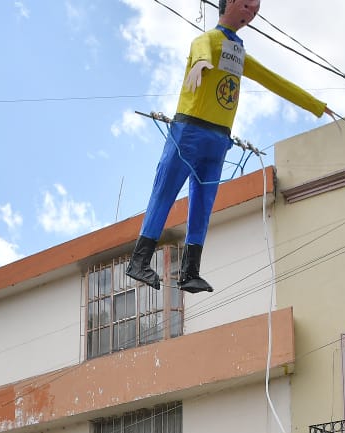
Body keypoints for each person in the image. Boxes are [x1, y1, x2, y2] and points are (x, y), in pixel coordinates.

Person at [126, 0, 333, 295]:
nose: (251, 13)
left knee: (203, 205)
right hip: (190, 130)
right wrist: (199, 63)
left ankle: (190, 271)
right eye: (247, 5)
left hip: (218, 139)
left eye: (255, 10)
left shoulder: (239, 53)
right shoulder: (209, 39)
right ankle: (140, 260)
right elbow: (200, 47)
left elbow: (274, 80)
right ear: (231, 2)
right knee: (165, 193)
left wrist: (315, 105)